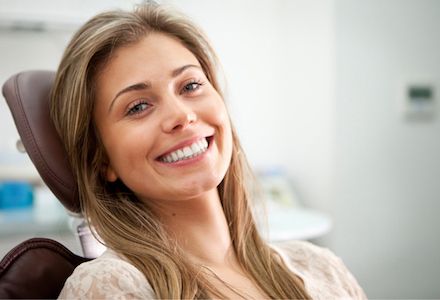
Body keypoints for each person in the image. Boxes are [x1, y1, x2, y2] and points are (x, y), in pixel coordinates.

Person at [51, 3, 366, 299]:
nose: (181, 116)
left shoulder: (322, 267)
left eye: (190, 86)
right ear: (102, 158)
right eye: (138, 106)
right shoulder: (110, 286)